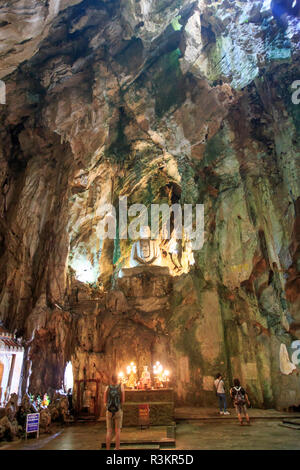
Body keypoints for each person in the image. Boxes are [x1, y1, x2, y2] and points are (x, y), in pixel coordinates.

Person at [104, 373, 125, 450]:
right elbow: (123, 401)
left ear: (111, 379)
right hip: (118, 410)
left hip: (109, 411)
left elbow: (105, 401)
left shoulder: (107, 388)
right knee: (118, 431)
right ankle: (117, 448)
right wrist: (119, 406)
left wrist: (107, 407)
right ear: (117, 379)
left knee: (109, 430)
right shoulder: (121, 387)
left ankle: (108, 449)